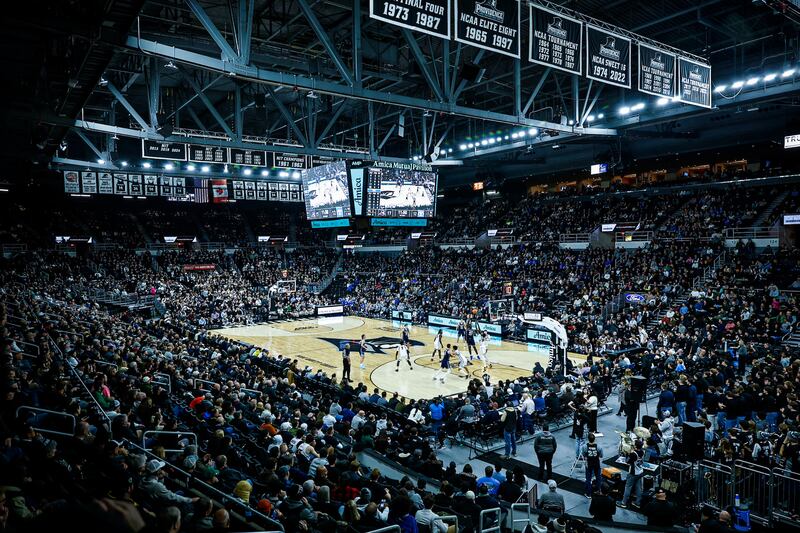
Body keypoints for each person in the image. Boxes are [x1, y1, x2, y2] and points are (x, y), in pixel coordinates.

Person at [619, 439, 645, 509]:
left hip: (633, 473)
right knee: (639, 488)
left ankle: (623, 503)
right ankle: (637, 503)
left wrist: (627, 453)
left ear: (636, 446)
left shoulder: (633, 454)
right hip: (640, 471)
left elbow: (627, 461)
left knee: (628, 487)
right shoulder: (642, 451)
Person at [581, 432, 603, 497]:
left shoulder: (585, 447)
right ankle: (599, 491)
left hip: (589, 464)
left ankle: (588, 494)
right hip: (596, 463)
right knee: (598, 477)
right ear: (594, 439)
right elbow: (601, 455)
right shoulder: (598, 447)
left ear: (588, 439)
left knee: (588, 478)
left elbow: (584, 454)